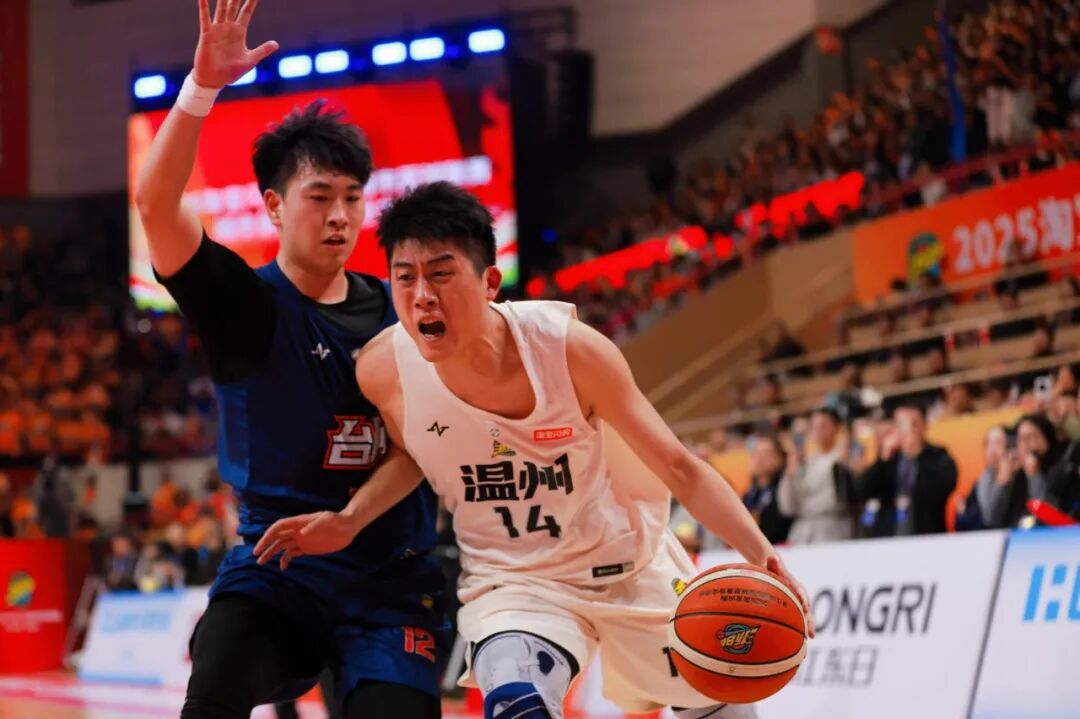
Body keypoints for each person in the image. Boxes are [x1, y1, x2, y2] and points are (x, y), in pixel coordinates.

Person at [255, 182, 813, 719]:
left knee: (723, 705)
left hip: (628, 563)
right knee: (517, 703)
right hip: (517, 583)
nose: (422, 294)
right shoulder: (384, 369)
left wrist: (763, 557)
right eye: (405, 277)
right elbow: (411, 455)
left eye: (441, 274)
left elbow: (678, 467)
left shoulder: (570, 351)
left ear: (490, 281)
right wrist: (351, 518)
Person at [132, 2, 445, 717]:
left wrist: (351, 519)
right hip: (278, 572)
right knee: (214, 686)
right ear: (273, 206)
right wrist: (201, 88)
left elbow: (425, 446)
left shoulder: (404, 309)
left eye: (353, 198)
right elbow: (154, 203)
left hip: (389, 578)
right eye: (320, 197)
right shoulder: (241, 304)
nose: (341, 215)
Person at [856, 403, 957, 536]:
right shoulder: (889, 459)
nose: (908, 430)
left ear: (924, 426)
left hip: (927, 535)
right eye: (901, 424)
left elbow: (941, 489)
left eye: (914, 424)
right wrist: (883, 458)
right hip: (890, 535)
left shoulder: (938, 456)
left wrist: (915, 452)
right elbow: (862, 491)